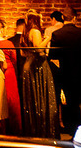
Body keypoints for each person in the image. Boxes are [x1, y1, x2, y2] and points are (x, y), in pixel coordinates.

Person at [49, 8, 81, 135]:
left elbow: (53, 55)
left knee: (71, 107)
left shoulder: (57, 34)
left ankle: (75, 134)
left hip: (67, 75)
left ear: (63, 18)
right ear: (75, 18)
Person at [20, 10, 59, 138]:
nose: (42, 21)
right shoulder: (35, 31)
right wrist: (48, 38)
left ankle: (33, 129)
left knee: (33, 100)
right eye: (40, 19)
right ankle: (43, 131)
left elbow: (22, 53)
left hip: (29, 64)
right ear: (35, 20)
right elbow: (38, 48)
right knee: (41, 98)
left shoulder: (25, 33)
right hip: (38, 66)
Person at [0, 19, 22, 135]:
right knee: (12, 99)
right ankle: (15, 129)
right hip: (9, 71)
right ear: (3, 29)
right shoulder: (8, 43)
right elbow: (14, 59)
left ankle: (0, 128)